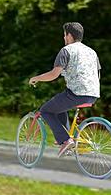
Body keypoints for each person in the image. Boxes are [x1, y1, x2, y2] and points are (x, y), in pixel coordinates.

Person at [28, 22, 101, 157]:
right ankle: (69, 139)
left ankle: (65, 140)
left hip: (76, 93)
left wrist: (36, 78)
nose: (64, 38)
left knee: (45, 110)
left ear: (69, 35)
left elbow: (53, 75)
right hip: (93, 94)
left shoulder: (66, 51)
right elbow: (97, 73)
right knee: (59, 105)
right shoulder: (92, 52)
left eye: (64, 35)